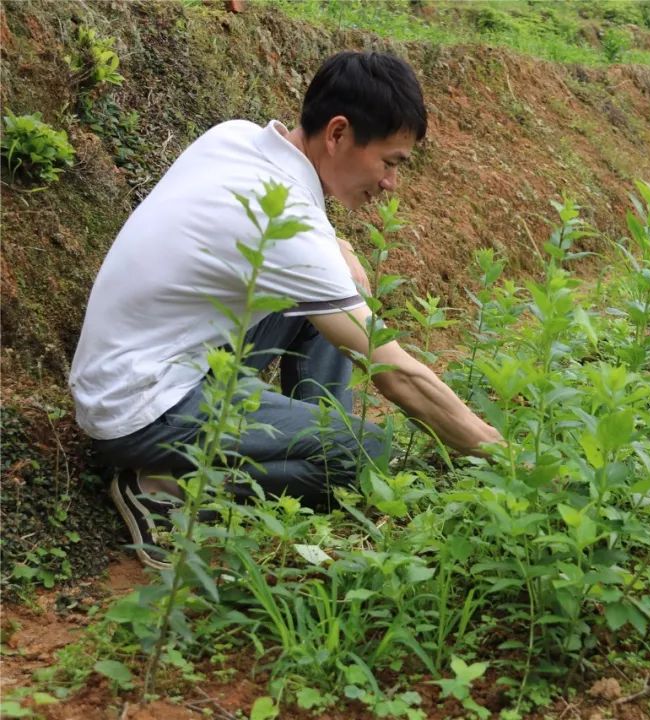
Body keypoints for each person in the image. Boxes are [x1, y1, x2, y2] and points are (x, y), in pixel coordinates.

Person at [68, 51, 502, 569]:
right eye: (389, 162)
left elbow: (295, 242)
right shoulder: (291, 225)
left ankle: (313, 438)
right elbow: (397, 376)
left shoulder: (235, 138)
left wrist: (338, 245)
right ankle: (168, 487)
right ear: (338, 134)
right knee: (364, 453)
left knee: (333, 296)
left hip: (136, 369)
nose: (391, 184)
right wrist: (496, 452)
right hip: (143, 409)